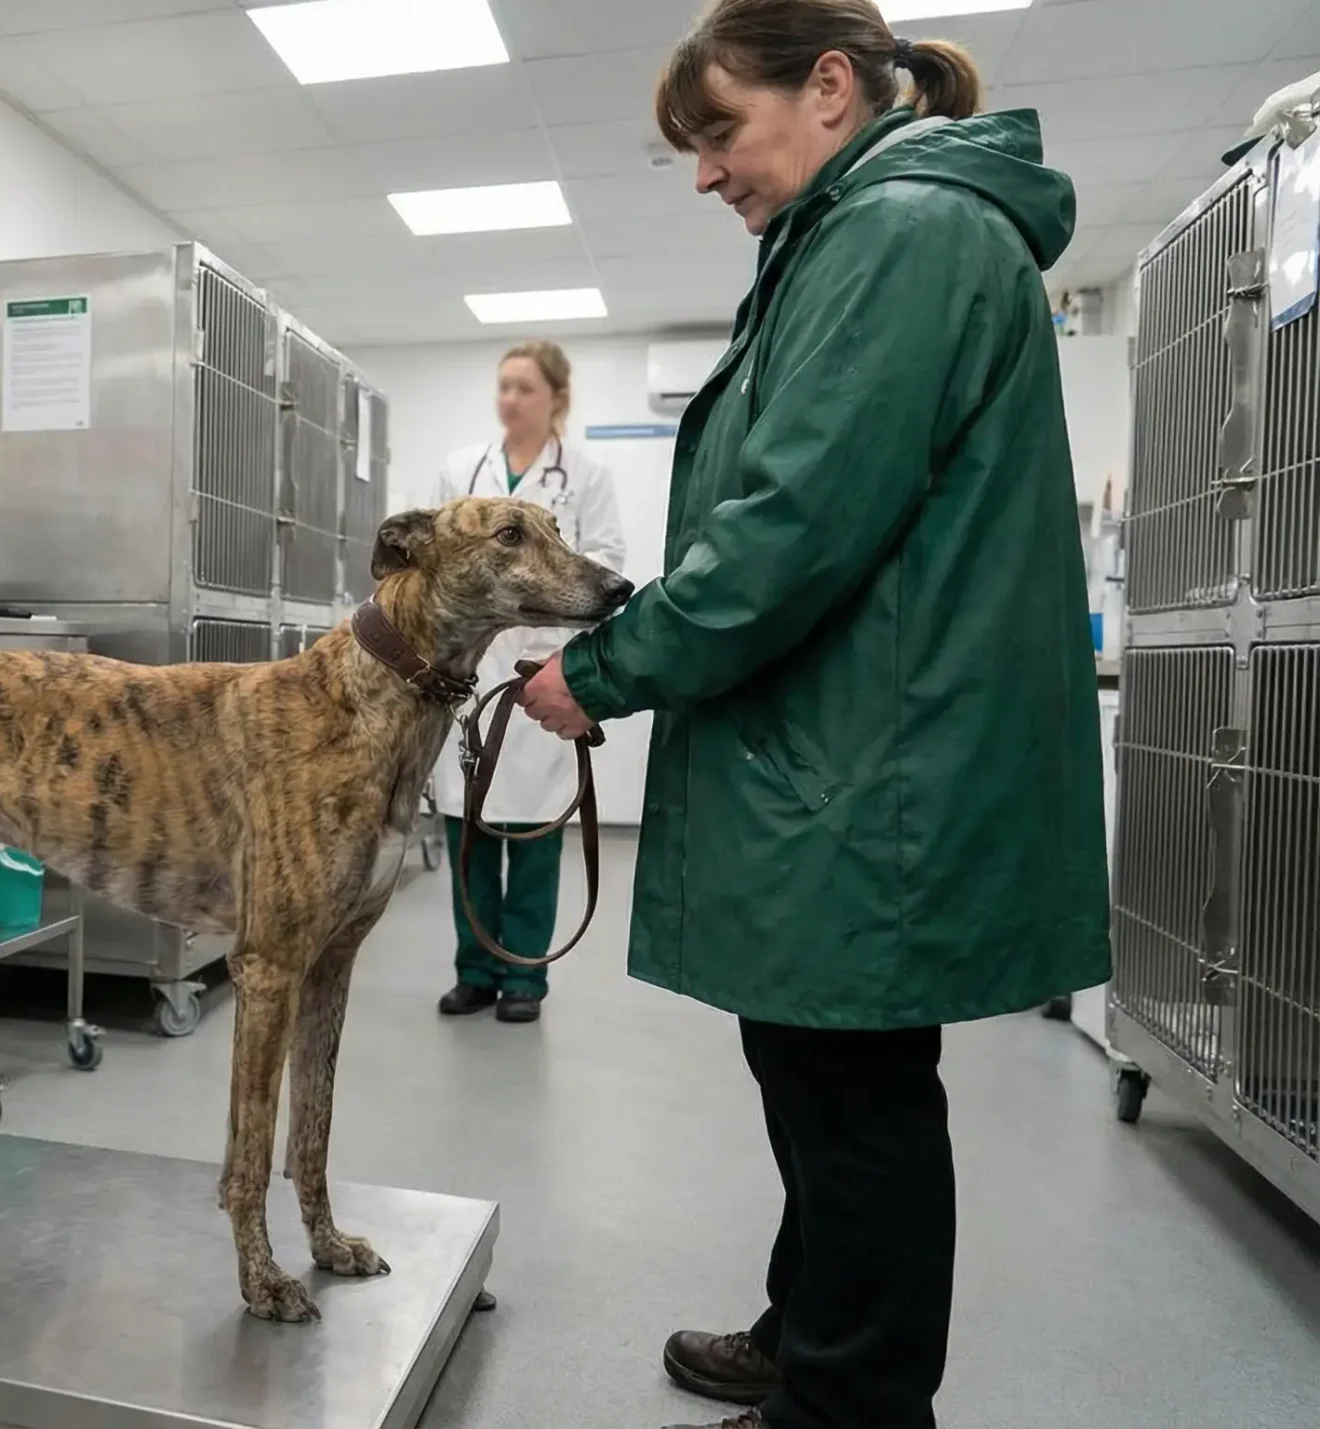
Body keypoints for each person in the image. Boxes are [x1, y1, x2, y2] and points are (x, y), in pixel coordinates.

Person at [512, 3, 1110, 1426]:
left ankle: (852, 1403)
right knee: (821, 1074)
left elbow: (788, 532)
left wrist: (596, 672)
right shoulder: (861, 235)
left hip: (875, 761)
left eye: (719, 131)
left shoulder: (901, 236)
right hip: (853, 744)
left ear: (829, 86)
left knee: (855, 1101)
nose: (707, 171)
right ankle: (810, 1332)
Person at [427, 341, 627, 1024]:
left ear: (555, 399)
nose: (509, 398)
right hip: (467, 671)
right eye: (503, 385)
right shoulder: (463, 469)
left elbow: (603, 563)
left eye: (524, 388)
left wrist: (552, 643)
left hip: (539, 667)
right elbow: (435, 563)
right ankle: (475, 970)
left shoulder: (586, 476)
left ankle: (524, 979)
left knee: (536, 836)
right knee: (468, 831)